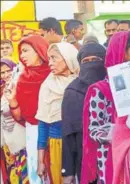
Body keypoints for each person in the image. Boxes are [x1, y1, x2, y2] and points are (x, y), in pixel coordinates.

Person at [80, 31, 130, 184]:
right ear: (121, 53)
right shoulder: (100, 89)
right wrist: (123, 135)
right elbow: (94, 129)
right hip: (112, 158)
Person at [4, 35, 50, 184]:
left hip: (56, 131)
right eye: (20, 52)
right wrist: (12, 101)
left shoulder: (54, 75)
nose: (22, 56)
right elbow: (20, 117)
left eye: (25, 51)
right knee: (37, 172)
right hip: (33, 132)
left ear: (39, 50)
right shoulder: (22, 79)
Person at [62, 42, 106, 184]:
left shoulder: (115, 85)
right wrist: (68, 171)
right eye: (86, 61)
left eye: (96, 60)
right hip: (85, 158)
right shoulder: (72, 91)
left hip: (113, 154)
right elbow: (68, 134)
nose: (91, 64)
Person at [35, 42, 79, 184]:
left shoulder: (81, 82)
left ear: (68, 58)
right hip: (57, 145)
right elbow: (43, 125)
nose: (50, 63)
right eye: (49, 59)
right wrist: (40, 161)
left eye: (54, 58)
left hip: (80, 144)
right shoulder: (47, 86)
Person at [1, 58, 29, 184]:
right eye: (2, 73)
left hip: (21, 140)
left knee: (24, 175)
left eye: (8, 71)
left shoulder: (19, 86)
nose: (6, 75)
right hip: (8, 142)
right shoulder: (3, 89)